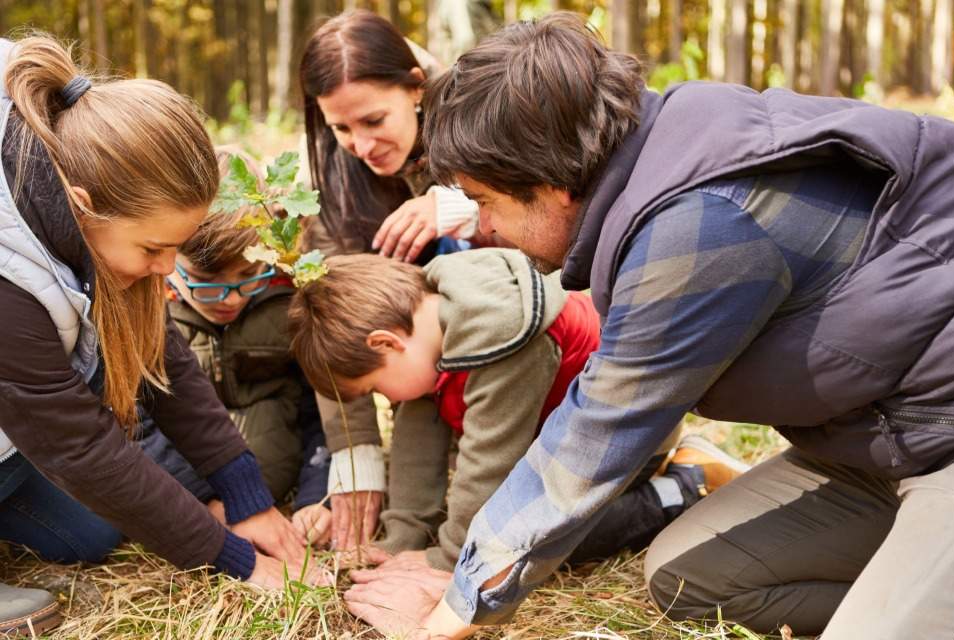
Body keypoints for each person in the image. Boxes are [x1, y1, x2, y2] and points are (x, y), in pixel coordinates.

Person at [342, 13, 954, 640]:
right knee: (690, 581)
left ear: (553, 184)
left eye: (487, 202)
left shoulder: (702, 224)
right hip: (876, 447)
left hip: (948, 441)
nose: (484, 228)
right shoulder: (663, 156)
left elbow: (596, 434)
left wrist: (446, 613)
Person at [0, 35, 316, 637]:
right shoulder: (8, 279)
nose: (168, 268)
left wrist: (243, 491)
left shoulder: (72, 138)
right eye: (154, 248)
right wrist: (232, 557)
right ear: (81, 206)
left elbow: (158, 349)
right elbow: (79, 447)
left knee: (92, 533)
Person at [288, 249, 747, 571]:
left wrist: (449, 560)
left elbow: (491, 462)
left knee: (538, 541)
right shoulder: (431, 327)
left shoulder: (500, 337)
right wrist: (402, 537)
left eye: (377, 388)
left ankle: (686, 484)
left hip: (624, 444)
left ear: (386, 343)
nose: (388, 401)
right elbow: (416, 442)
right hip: (557, 443)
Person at [298, 9, 483, 554]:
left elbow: (557, 248)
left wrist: (466, 211)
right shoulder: (334, 186)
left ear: (416, 88)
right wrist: (356, 458)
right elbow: (335, 320)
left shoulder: (485, 120)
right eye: (340, 128)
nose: (360, 144)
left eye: (375, 120)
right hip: (422, 371)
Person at [138, 148, 333, 545]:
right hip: (193, 496)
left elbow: (323, 412)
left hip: (283, 482)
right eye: (206, 280)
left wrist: (318, 496)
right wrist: (205, 502)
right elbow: (136, 426)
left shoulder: (288, 304)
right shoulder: (147, 314)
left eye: (247, 275)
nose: (229, 298)